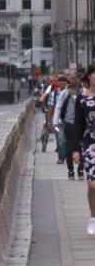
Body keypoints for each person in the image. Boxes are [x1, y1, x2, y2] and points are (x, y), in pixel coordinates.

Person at [72, 64, 95, 235]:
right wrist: (75, 149)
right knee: (93, 185)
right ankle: (93, 217)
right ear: (89, 77)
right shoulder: (81, 99)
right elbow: (78, 124)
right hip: (90, 144)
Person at [53, 77, 84, 179]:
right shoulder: (64, 94)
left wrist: (75, 97)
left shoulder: (82, 93)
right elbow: (58, 106)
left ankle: (80, 170)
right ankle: (70, 170)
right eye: (70, 87)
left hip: (80, 125)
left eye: (74, 87)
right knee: (69, 148)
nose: (72, 89)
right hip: (68, 124)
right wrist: (55, 122)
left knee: (81, 147)